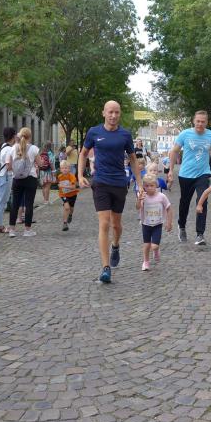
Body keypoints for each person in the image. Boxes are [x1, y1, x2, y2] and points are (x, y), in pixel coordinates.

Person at [78, 100, 142, 284]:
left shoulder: (125, 135)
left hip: (119, 183)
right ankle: (105, 268)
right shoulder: (94, 132)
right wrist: (80, 175)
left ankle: (116, 245)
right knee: (104, 223)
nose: (113, 115)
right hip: (100, 182)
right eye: (110, 112)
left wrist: (139, 184)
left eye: (117, 112)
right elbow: (83, 153)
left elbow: (133, 159)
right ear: (104, 113)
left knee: (116, 225)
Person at [166, 111, 211, 246]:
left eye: (203, 122)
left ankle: (200, 234)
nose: (200, 124)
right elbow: (174, 151)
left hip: (203, 173)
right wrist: (171, 170)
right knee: (185, 202)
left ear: (207, 122)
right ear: (193, 121)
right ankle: (182, 226)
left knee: (202, 200)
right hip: (186, 174)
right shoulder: (185, 134)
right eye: (198, 121)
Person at [6, 127, 39, 237]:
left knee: (15, 204)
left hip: (16, 179)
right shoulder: (34, 149)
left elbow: (8, 166)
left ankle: (12, 230)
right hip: (30, 178)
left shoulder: (13, 148)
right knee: (29, 204)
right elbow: (40, 163)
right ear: (30, 136)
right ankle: (27, 230)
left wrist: (17, 170)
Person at [136, 174, 173, 271]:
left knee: (154, 246)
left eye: (151, 185)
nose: (149, 188)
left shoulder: (162, 197)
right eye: (146, 186)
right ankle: (146, 262)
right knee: (146, 244)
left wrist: (169, 222)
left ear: (156, 185)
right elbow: (137, 207)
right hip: (146, 224)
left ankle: (156, 250)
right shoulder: (142, 196)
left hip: (157, 224)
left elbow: (169, 208)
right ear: (144, 186)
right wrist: (139, 200)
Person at [0, 127, 16, 233]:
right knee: (1, 202)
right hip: (5, 176)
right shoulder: (9, 149)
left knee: (1, 201)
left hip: (1, 176)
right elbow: (9, 166)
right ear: (13, 136)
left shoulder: (4, 146)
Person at [57, 160, 79, 231]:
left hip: (72, 194)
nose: (64, 169)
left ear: (69, 169)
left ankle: (70, 215)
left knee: (71, 208)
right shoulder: (59, 176)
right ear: (60, 169)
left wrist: (63, 186)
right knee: (66, 208)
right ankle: (65, 223)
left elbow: (73, 187)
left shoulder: (72, 176)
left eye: (66, 168)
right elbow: (58, 183)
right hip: (63, 194)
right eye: (63, 168)